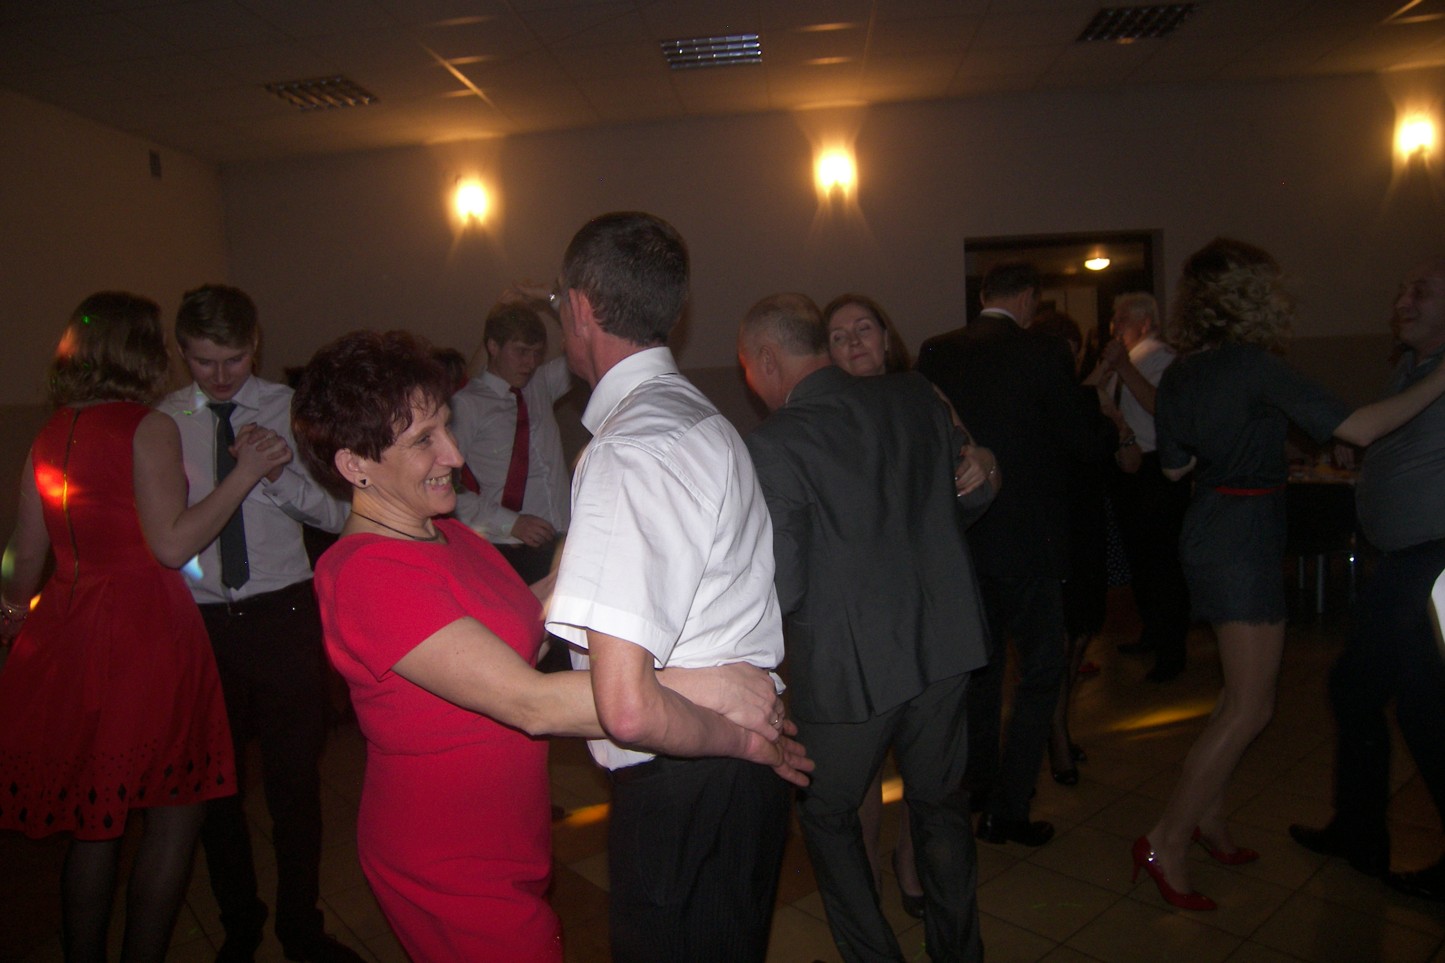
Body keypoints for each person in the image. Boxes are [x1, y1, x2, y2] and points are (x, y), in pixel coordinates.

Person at [291, 329, 798, 962]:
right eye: (424, 440)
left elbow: (524, 627)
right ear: (353, 465)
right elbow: (530, 701)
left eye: (446, 425)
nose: (454, 453)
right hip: (446, 854)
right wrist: (709, 686)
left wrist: (603, 517)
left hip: (507, 835)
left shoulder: (446, 534)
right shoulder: (365, 575)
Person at [1139, 238, 1445, 911]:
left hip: (1208, 526)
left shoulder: (1184, 371)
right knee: (1253, 706)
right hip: (1245, 534)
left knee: (1235, 696)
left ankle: (1209, 818)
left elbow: (1175, 468)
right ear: (1251, 295)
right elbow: (1360, 428)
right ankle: (1166, 839)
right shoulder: (1255, 364)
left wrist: (1247, 439)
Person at [545, 211, 811, 963]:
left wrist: (742, 738)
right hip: (723, 766)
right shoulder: (692, 414)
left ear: (581, 309)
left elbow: (627, 708)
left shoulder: (632, 448)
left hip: (689, 769)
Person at [0, 292, 288, 962]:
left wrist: (12, 616)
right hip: (144, 632)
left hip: (71, 628)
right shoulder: (148, 426)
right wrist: (244, 473)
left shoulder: (51, 431)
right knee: (174, 812)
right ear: (145, 353)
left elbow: (23, 553)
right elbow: (170, 544)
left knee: (95, 824)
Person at [743, 293, 990, 963]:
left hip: (851, 670)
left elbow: (785, 585)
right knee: (939, 807)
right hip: (944, 644)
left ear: (766, 359)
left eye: (747, 367)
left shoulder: (774, 442)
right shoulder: (915, 395)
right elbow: (970, 495)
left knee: (826, 813)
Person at [156, 284, 360, 963]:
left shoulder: (288, 408)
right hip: (204, 622)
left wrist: (276, 477)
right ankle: (238, 924)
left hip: (283, 613)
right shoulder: (164, 422)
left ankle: (302, 925)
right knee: (217, 791)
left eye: (234, 359)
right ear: (180, 351)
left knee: (295, 784)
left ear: (256, 345)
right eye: (203, 361)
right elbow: (163, 533)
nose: (220, 376)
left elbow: (338, 514)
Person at [916, 262, 1118, 847]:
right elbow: (1079, 442)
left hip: (964, 535)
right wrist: (1111, 429)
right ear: (1029, 298)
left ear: (983, 294)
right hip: (1030, 538)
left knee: (981, 671)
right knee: (1041, 671)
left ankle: (978, 784)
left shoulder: (937, 351)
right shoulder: (1043, 352)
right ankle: (1010, 807)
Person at [822, 291, 998, 915]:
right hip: (861, 612)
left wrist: (983, 462)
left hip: (927, 604)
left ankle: (910, 864)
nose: (853, 341)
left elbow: (976, 467)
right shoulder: (823, 412)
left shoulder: (923, 393)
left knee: (930, 766)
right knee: (864, 767)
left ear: (886, 335)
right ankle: (869, 877)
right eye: (838, 335)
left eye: (863, 328)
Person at [1289, 256, 1445, 901]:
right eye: (1401, 289)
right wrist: (1362, 447)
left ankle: (1360, 833)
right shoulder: (1412, 369)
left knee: (1422, 709)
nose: (1401, 301)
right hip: (1405, 559)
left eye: (1420, 292)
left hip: (1432, 562)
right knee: (1362, 692)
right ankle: (1358, 832)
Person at [1032, 307, 1136, 786]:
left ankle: (1060, 726)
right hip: (1054, 536)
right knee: (1058, 642)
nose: (1069, 364)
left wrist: (1117, 422)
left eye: (1073, 356)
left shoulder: (1085, 399)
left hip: (1088, 530)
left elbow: (1129, 463)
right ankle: (1055, 736)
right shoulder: (1038, 403)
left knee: (1079, 638)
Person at [1088, 292, 1192, 682]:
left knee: (1162, 561)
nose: (1114, 326)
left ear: (1145, 323)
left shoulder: (1163, 359)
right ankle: (1152, 631)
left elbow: (1160, 406)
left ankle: (1172, 650)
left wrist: (1122, 366)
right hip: (1127, 465)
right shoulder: (1125, 361)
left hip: (1156, 469)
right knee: (1140, 560)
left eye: (1122, 319)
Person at [451, 297, 574, 585]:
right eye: (521, 352)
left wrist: (553, 299)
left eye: (536, 353)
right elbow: (445, 487)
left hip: (563, 541)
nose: (530, 363)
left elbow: (591, 347)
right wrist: (511, 522)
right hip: (506, 547)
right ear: (493, 346)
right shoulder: (466, 404)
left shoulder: (540, 384)